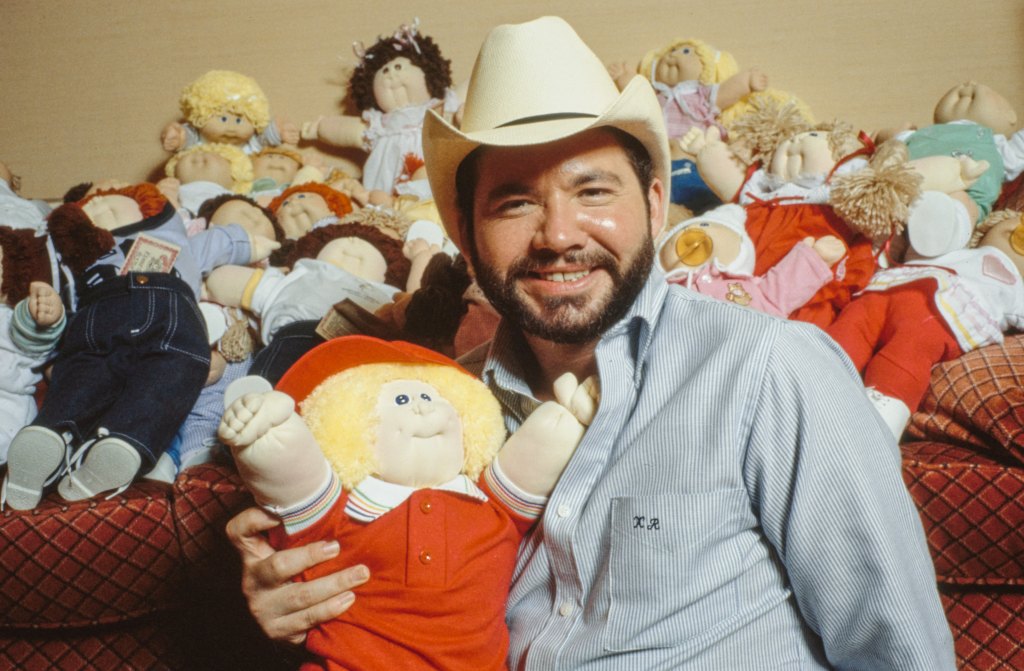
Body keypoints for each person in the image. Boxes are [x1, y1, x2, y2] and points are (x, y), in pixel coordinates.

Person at [225, 16, 956, 669]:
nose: (559, 234)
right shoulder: (432, 415)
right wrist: (296, 603)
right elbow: (385, 611)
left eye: (593, 191)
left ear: (655, 202)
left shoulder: (771, 369)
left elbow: (900, 650)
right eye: (514, 201)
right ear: (466, 235)